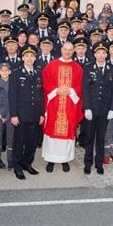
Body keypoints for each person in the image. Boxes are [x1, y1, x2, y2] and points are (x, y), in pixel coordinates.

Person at [41, 42, 84, 173]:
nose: (67, 52)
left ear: (73, 51)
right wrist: (56, 90)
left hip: (70, 105)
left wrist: (71, 90)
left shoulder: (77, 68)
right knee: (52, 131)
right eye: (65, 49)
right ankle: (51, 159)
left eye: (70, 50)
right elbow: (45, 81)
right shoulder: (51, 65)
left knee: (68, 131)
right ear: (61, 50)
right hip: (54, 103)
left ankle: (65, 159)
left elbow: (81, 86)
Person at [9, 45, 44, 180]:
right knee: (19, 141)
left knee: (32, 141)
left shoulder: (38, 73)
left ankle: (27, 163)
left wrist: (41, 114)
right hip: (21, 114)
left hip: (35, 114)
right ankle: (17, 166)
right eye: (27, 56)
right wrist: (13, 114)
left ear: (35, 58)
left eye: (32, 56)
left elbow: (40, 95)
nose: (29, 58)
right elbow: (12, 96)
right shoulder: (16, 73)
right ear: (22, 57)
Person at [82, 42, 113, 175]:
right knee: (89, 137)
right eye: (99, 53)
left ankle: (99, 163)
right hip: (91, 109)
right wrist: (86, 108)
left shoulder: (111, 69)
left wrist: (112, 109)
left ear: (106, 54)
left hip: (104, 110)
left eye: (104, 53)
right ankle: (88, 163)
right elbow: (85, 89)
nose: (101, 55)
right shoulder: (88, 67)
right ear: (95, 54)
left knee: (101, 138)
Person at [0, 63, 14, 170]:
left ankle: (10, 161)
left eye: (6, 70)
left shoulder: (13, 83)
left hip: (11, 115)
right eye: (2, 70)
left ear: (10, 72)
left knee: (10, 139)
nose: (4, 72)